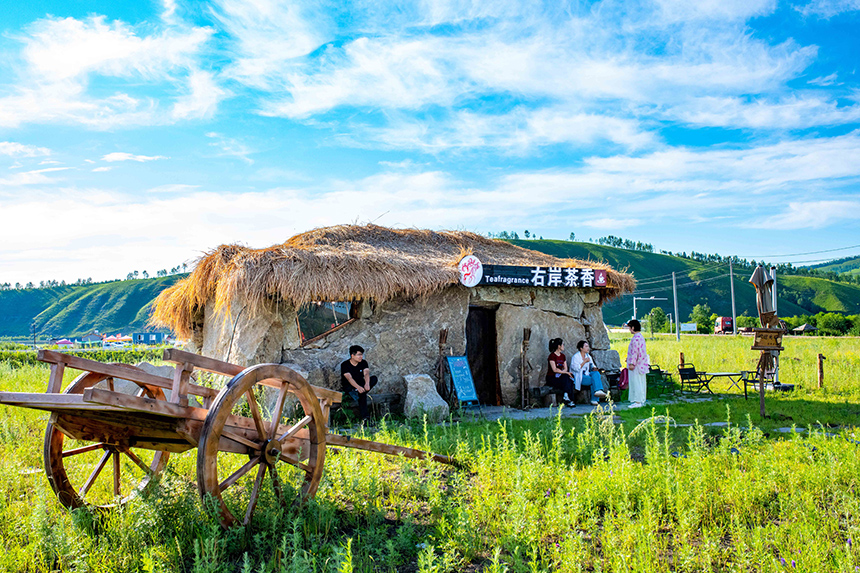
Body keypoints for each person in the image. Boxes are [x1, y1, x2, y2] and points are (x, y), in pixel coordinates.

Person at [340, 345, 378, 420]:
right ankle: (366, 417)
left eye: (362, 355)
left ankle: (358, 393)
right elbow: (349, 378)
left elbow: (366, 373)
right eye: (359, 355)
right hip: (350, 387)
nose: (361, 357)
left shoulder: (363, 363)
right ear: (352, 355)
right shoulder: (345, 365)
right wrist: (358, 387)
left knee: (373, 379)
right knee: (362, 395)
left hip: (361, 385)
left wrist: (367, 384)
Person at [571, 340, 608, 406]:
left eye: (588, 346)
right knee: (594, 380)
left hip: (587, 374)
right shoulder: (575, 357)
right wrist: (584, 361)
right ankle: (595, 398)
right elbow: (576, 369)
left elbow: (592, 365)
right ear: (581, 348)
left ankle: (598, 391)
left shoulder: (588, 356)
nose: (588, 348)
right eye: (586, 346)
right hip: (579, 376)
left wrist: (595, 368)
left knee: (596, 374)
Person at [546, 338, 576, 407]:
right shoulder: (552, 356)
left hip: (561, 376)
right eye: (563, 344)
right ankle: (570, 399)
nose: (563, 346)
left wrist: (564, 372)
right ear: (559, 346)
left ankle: (567, 396)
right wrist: (564, 372)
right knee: (567, 377)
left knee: (569, 378)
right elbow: (554, 369)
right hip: (552, 377)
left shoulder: (563, 356)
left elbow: (565, 368)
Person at [625, 320, 649, 408]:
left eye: (629, 327)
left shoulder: (635, 338)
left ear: (633, 328)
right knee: (641, 382)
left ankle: (637, 401)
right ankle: (641, 400)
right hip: (642, 364)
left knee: (636, 383)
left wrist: (632, 363)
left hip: (636, 365)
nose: (629, 330)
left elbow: (635, 352)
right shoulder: (641, 337)